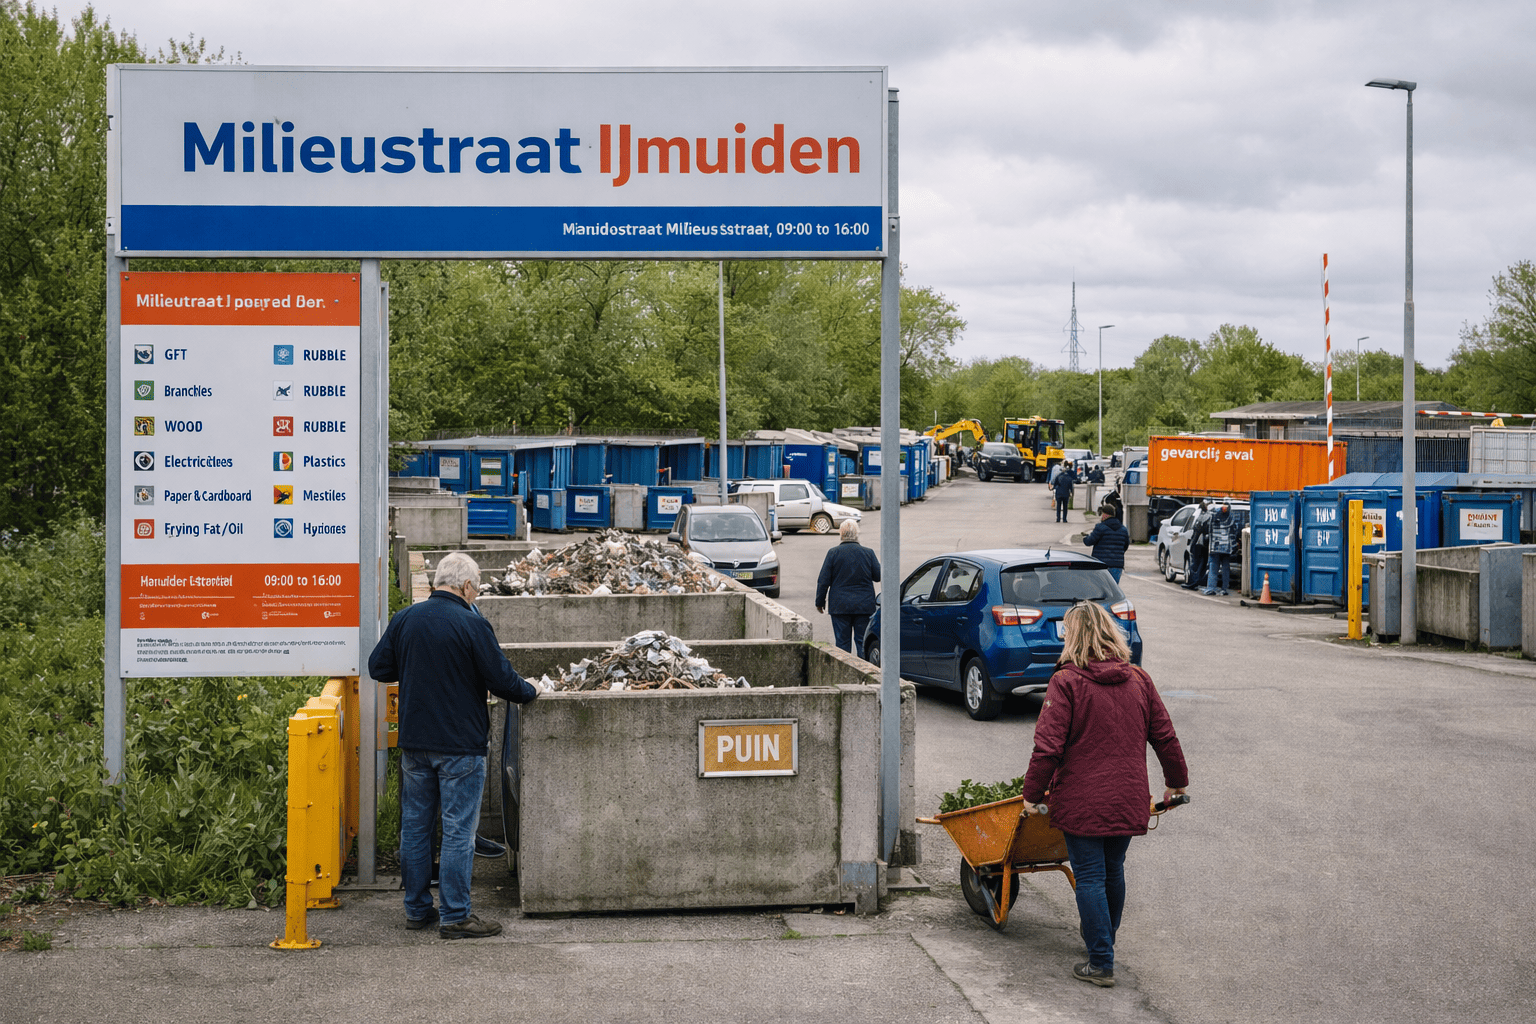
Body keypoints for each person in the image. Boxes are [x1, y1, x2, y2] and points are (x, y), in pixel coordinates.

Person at [369, 551, 539, 939]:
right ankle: (456, 916)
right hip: (461, 747)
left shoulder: (406, 619)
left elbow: (379, 667)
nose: (475, 598)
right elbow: (503, 682)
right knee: (459, 831)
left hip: (415, 743)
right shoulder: (471, 624)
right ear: (466, 587)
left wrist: (415, 665)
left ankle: (416, 911)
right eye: (475, 592)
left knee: (415, 828)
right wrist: (533, 691)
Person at [1020, 602, 1189, 988]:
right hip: (1128, 796)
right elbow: (1164, 735)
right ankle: (1103, 944)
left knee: (1092, 876)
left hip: (1083, 799)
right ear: (1111, 633)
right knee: (1113, 870)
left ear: (1072, 636)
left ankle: (1100, 960)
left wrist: (1031, 795)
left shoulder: (1067, 682)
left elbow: (1048, 747)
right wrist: (1177, 781)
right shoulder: (1139, 679)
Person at [815, 519, 882, 659]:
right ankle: (864, 676)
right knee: (862, 642)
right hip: (864, 606)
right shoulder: (868, 553)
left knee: (842, 644)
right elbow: (878, 576)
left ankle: (845, 674)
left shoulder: (833, 553)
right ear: (857, 534)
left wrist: (820, 602)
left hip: (840, 607)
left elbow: (823, 580)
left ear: (841, 534)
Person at [1083, 504, 1130, 582]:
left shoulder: (1100, 527)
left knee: (1101, 590)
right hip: (1117, 566)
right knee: (1113, 591)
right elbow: (1125, 546)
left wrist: (1085, 538)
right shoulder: (1123, 529)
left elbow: (1089, 541)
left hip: (1101, 565)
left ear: (1105, 514)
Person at [1202, 501, 1236, 596]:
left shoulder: (1213, 516)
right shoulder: (1231, 517)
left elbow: (1207, 527)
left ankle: (1211, 588)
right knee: (1225, 569)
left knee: (1213, 568)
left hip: (1215, 547)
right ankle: (1224, 589)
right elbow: (1234, 530)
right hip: (1226, 548)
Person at [1180, 501, 1210, 591]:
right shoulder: (1208, 516)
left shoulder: (1200, 515)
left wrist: (1192, 545)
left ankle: (1192, 583)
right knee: (1201, 565)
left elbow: (1195, 531)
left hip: (1198, 543)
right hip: (1205, 544)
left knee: (1195, 564)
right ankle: (1196, 582)